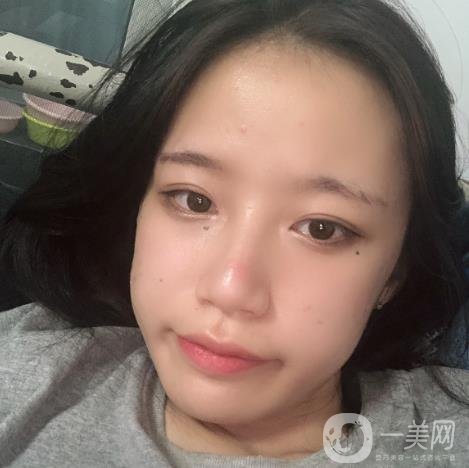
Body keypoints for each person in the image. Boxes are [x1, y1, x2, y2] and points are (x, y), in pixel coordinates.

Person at [1, 0, 469, 466]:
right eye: (194, 200)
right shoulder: (28, 369)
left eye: (322, 229)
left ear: (395, 271)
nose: (230, 290)